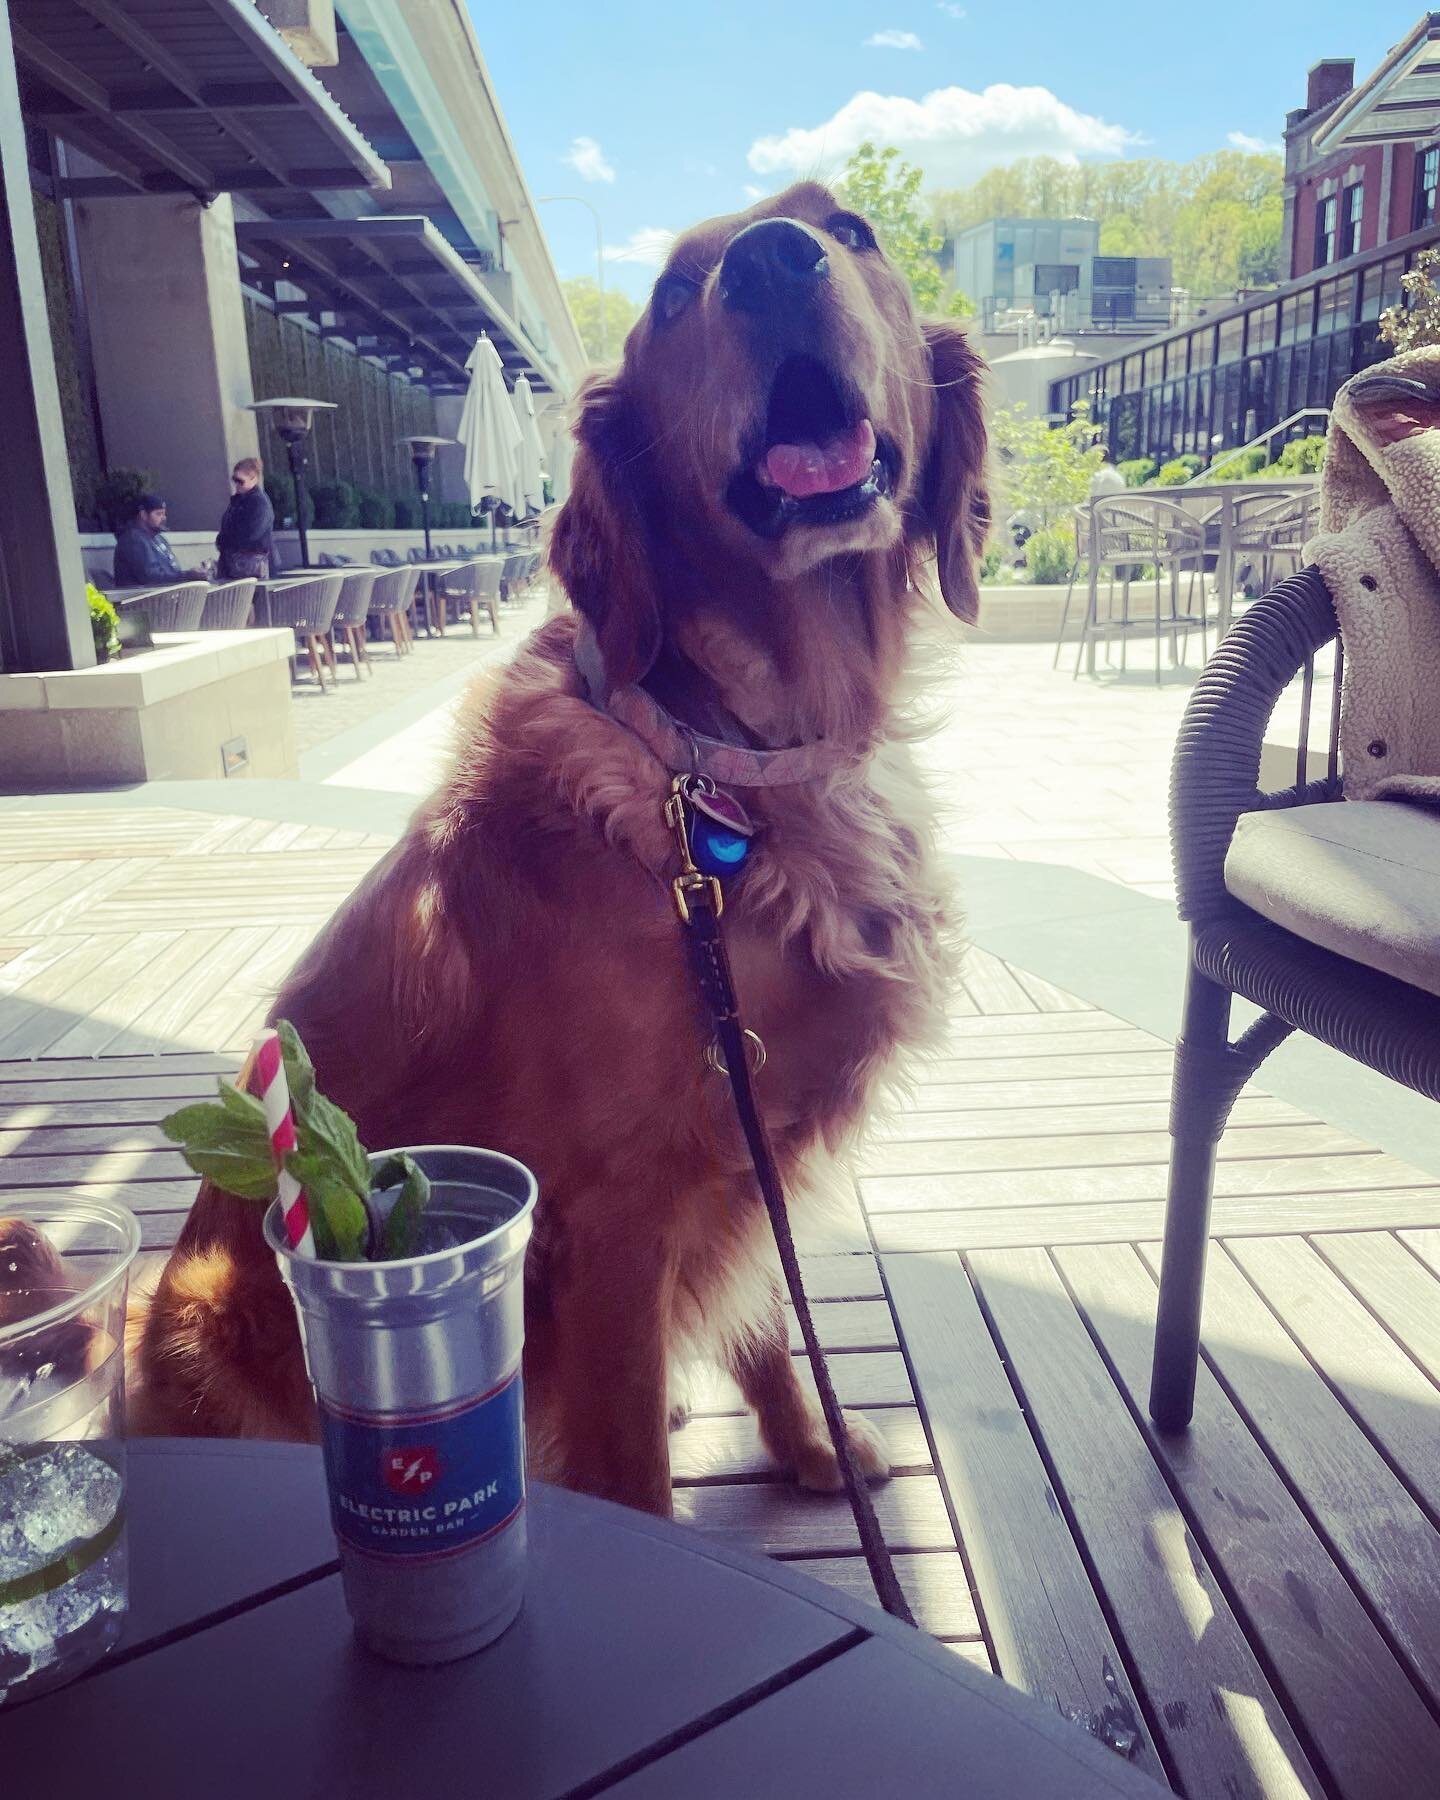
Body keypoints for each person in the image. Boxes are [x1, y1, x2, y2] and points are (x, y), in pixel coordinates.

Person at [112, 494, 209, 587]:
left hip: (164, 597)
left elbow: (173, 571)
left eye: (164, 514)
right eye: (158, 514)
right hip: (143, 601)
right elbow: (151, 578)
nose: (164, 518)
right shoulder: (132, 540)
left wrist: (191, 574)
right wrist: (187, 576)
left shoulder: (159, 539)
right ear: (143, 515)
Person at [216, 457, 274, 580]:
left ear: (254, 478)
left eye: (240, 481)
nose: (237, 485)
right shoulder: (238, 501)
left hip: (250, 563)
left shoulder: (258, 503)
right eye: (234, 480)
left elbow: (250, 534)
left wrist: (225, 541)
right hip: (235, 562)